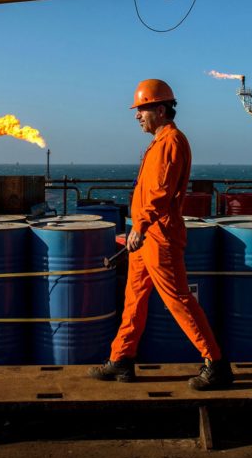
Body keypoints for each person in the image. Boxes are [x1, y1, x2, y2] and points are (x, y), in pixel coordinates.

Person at [88, 78, 233, 391]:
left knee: (179, 299)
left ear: (161, 109)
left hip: (157, 236)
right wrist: (137, 228)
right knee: (134, 299)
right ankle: (121, 359)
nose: (137, 116)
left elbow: (160, 191)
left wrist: (140, 226)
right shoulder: (160, 142)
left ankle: (216, 363)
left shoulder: (170, 142)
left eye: (142, 109)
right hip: (145, 235)